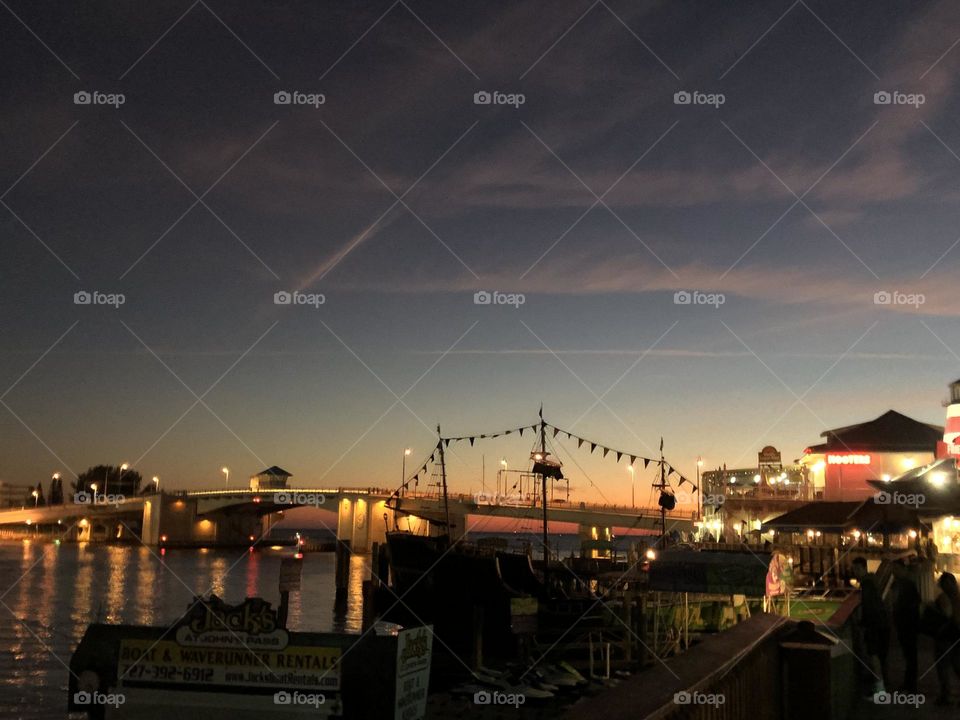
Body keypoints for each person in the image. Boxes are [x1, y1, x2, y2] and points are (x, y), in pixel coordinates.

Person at [852, 557, 889, 696]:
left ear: (862, 568)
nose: (854, 572)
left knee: (874, 656)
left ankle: (880, 689)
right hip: (882, 622)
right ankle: (882, 684)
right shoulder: (871, 581)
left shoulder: (867, 584)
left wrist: (862, 622)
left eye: (856, 569)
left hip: (874, 624)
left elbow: (868, 606)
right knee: (879, 656)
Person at [890, 559, 920, 692]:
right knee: (909, 655)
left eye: (896, 569)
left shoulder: (906, 584)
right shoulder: (901, 583)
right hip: (904, 624)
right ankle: (910, 683)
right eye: (893, 569)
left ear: (903, 569)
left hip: (908, 624)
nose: (894, 572)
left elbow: (915, 604)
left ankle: (911, 684)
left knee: (910, 655)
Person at [934, 572, 960, 705]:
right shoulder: (957, 596)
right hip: (956, 636)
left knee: (943, 667)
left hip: (945, 637)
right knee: (957, 666)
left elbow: (948, 614)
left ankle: (946, 695)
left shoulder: (944, 598)